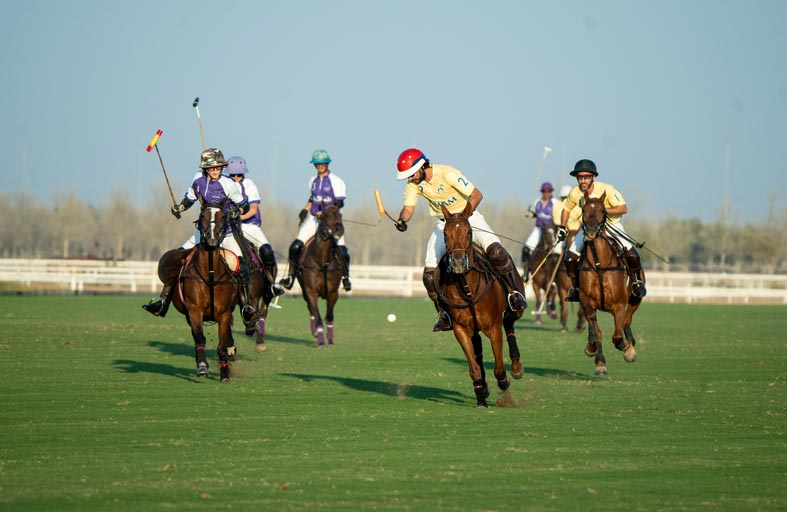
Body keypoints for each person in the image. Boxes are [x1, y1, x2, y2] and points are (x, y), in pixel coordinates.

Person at [393, 148, 527, 332]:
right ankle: (443, 314)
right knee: (429, 276)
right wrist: (402, 220)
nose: (409, 178)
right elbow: (408, 208)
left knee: (497, 253)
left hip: (469, 218)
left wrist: (463, 217)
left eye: (411, 174)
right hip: (444, 225)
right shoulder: (413, 185)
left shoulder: (447, 173)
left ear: (422, 166)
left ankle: (514, 294)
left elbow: (476, 195)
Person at [142, 148, 262, 325]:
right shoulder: (198, 181)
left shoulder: (228, 184)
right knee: (178, 258)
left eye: (219, 167)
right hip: (203, 231)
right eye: (212, 168)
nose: (216, 170)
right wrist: (180, 208)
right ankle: (163, 300)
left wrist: (237, 212)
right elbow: (189, 200)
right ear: (206, 168)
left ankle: (246, 308)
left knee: (241, 265)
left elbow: (244, 206)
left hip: (226, 232)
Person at [556, 159, 647, 302]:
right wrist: (562, 228)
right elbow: (566, 209)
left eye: (586, 177)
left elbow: (623, 208)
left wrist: (604, 211)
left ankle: (636, 282)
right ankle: (576, 288)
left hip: (612, 225)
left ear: (593, 177)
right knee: (570, 258)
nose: (583, 181)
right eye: (580, 177)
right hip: (588, 228)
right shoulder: (575, 193)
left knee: (632, 254)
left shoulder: (606, 189)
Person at [279, 149, 352, 292]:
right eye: (317, 164)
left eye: (323, 163)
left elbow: (340, 203)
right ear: (314, 165)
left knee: (343, 250)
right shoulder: (312, 180)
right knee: (295, 246)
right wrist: (305, 209)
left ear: (327, 164)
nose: (320, 166)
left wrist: (325, 213)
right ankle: (290, 277)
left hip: (331, 221)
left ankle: (345, 277)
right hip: (314, 219)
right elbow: (313, 198)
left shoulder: (336, 181)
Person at [226, 156, 284, 298]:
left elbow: (253, 209)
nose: (236, 177)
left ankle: (271, 285)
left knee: (267, 250)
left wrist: (238, 218)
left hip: (248, 226)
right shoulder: (223, 183)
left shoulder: (249, 185)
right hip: (227, 228)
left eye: (239, 174)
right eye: (233, 175)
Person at [521, 181, 557, 281]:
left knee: (557, 251)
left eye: (548, 191)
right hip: (539, 228)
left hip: (551, 229)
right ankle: (526, 272)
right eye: (544, 191)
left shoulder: (555, 202)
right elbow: (533, 213)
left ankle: (556, 276)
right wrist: (530, 214)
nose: (546, 193)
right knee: (526, 249)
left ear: (551, 192)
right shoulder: (537, 202)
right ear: (542, 192)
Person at [553, 185, 581, 256]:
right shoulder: (557, 206)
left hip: (578, 232)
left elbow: (581, 221)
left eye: (567, 197)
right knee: (557, 251)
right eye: (564, 197)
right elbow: (558, 224)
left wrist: (575, 232)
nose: (566, 200)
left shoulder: (578, 206)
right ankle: (556, 259)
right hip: (563, 232)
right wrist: (567, 232)